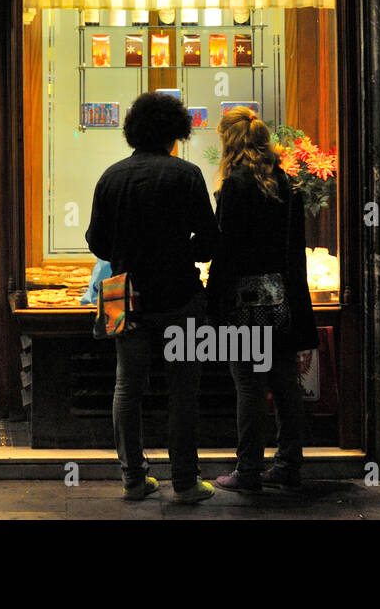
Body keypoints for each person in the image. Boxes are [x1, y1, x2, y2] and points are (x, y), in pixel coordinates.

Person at [86, 92, 219, 503]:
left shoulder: (111, 176)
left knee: (126, 388)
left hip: (122, 297)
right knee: (183, 390)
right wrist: (188, 252)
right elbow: (209, 241)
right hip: (180, 295)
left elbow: (98, 244)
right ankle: (185, 481)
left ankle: (132, 478)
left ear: (133, 131)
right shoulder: (188, 174)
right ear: (176, 131)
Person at [207, 106, 319, 492]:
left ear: (229, 141)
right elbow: (295, 251)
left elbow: (225, 252)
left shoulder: (234, 186)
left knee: (249, 384)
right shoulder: (285, 183)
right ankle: (288, 463)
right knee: (285, 381)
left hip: (244, 302)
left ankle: (249, 469)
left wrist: (213, 301)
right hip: (283, 298)